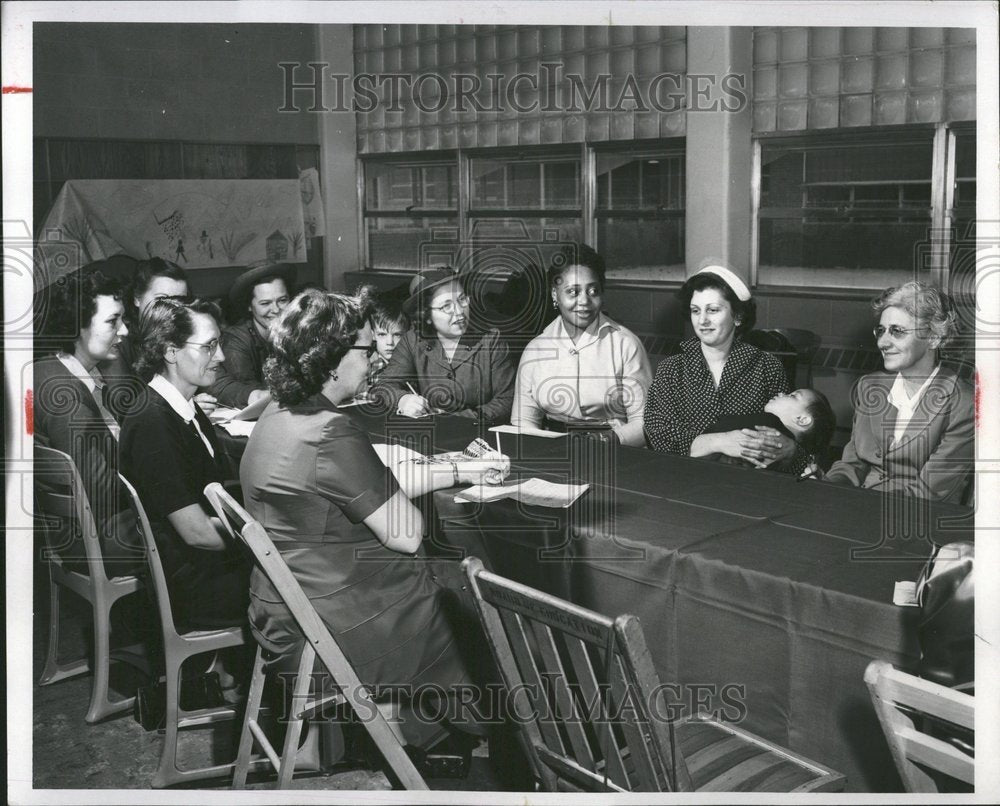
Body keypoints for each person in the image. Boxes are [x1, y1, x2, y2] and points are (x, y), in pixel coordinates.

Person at [240, 288, 508, 749]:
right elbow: (406, 534)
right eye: (366, 349)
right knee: (465, 587)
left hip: (277, 612)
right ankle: (507, 739)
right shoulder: (331, 431)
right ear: (330, 359)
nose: (375, 362)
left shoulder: (276, 413)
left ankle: (430, 732)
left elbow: (344, 493)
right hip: (327, 631)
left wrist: (441, 470)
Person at [120, 298, 250, 631]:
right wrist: (267, 542)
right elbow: (197, 533)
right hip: (194, 585)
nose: (220, 357)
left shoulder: (184, 409)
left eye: (218, 344)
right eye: (208, 346)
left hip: (206, 568)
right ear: (170, 351)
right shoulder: (152, 422)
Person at [33, 268, 144, 573]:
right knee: (191, 528)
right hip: (91, 539)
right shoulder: (64, 393)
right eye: (112, 321)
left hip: (82, 530)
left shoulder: (53, 371)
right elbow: (99, 490)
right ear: (77, 327)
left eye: (123, 320)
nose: (124, 331)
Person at [823, 282, 973, 503]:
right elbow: (851, 465)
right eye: (881, 331)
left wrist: (854, 503)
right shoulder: (870, 386)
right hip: (857, 505)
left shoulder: (964, 403)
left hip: (915, 517)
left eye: (898, 331)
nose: (883, 342)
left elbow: (929, 493)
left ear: (934, 338)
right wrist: (826, 487)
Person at [644, 263, 798, 468]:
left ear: (738, 316)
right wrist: (721, 441)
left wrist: (791, 450)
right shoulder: (672, 369)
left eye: (713, 310)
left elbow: (788, 433)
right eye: (695, 311)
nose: (702, 320)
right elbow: (657, 433)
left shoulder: (766, 367)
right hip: (682, 478)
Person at [511, 244, 652, 446]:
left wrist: (607, 439)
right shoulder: (536, 349)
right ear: (554, 295)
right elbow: (522, 423)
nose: (584, 301)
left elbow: (646, 423)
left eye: (593, 291)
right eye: (573, 292)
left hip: (615, 451)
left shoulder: (626, 345)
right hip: (553, 451)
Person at [373, 267, 516, 425]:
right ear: (426, 315)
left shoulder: (491, 341)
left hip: (481, 434)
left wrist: (457, 420)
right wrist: (402, 400)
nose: (459, 312)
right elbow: (384, 386)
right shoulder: (413, 340)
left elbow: (506, 400)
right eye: (446, 306)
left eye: (462, 300)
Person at [103, 257, 222, 416]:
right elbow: (124, 408)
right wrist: (180, 403)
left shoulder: (188, 337)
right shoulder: (117, 341)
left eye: (180, 301)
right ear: (137, 298)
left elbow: (217, 381)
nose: (171, 310)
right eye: (161, 300)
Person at [208, 262, 294, 408]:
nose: (276, 310)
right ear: (249, 306)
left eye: (282, 300)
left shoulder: (298, 330)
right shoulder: (236, 340)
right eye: (265, 303)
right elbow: (251, 389)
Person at [695, 388, 836, 473]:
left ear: (802, 419)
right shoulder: (800, 464)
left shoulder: (767, 422)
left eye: (793, 396)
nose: (781, 393)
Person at [366, 287, 410, 390]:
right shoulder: (370, 367)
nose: (389, 342)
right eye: (382, 335)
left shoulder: (412, 363)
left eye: (397, 335)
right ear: (373, 335)